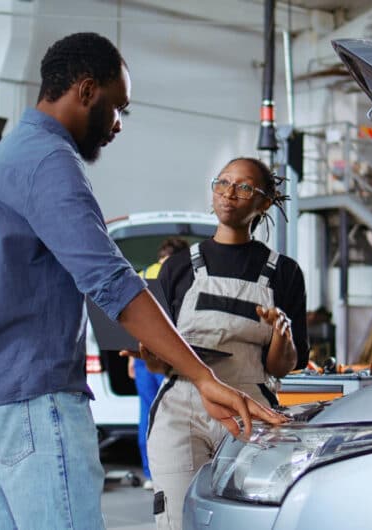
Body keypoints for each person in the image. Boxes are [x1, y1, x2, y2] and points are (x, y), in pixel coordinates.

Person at [0, 33, 284, 530]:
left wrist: (10, 284)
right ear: (86, 91)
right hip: (39, 403)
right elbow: (114, 285)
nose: (119, 124)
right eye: (117, 106)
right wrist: (203, 378)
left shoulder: (7, 153)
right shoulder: (50, 161)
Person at [130, 157, 310, 530]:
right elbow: (161, 363)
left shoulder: (285, 272)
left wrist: (282, 334)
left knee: (244, 520)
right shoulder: (178, 267)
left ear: (263, 203)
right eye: (222, 182)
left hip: (250, 408)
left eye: (244, 186)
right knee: (176, 518)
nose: (229, 193)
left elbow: (282, 367)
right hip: (181, 406)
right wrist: (149, 353)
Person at [128, 237, 189, 490]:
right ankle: (172, 471)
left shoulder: (143, 274)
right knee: (173, 415)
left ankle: (150, 474)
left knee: (148, 413)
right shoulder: (183, 277)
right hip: (168, 356)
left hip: (143, 355)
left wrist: (131, 358)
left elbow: (133, 318)